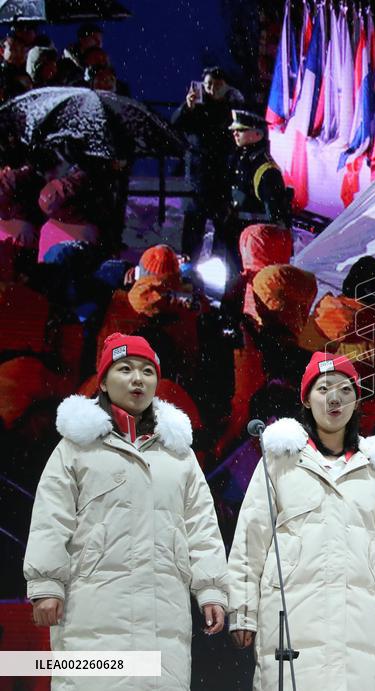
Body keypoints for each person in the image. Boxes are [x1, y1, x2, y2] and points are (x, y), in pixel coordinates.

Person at [23, 333, 228, 690]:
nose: (138, 379)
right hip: (92, 606)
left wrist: (211, 589)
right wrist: (46, 584)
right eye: (125, 369)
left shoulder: (179, 454)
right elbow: (51, 517)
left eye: (148, 371)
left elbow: (202, 525)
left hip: (164, 612)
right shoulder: (76, 447)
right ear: (103, 381)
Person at [228, 352, 375, 689]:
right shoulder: (279, 460)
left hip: (359, 626)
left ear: (356, 400)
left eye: (345, 389)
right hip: (291, 619)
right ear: (306, 399)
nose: (334, 398)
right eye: (324, 388)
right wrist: (242, 610)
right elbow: (250, 538)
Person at [172, 67, 245, 261]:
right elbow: (176, 124)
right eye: (208, 84)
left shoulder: (233, 105)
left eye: (217, 84)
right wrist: (187, 107)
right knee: (194, 223)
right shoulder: (196, 105)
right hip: (198, 173)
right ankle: (189, 263)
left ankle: (219, 264)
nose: (212, 89)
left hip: (222, 172)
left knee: (223, 224)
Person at [225, 109, 289, 290]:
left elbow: (275, 214)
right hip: (238, 233)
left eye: (241, 130)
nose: (235, 133)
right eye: (234, 130)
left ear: (257, 134)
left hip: (254, 239)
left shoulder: (266, 168)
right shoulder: (242, 158)